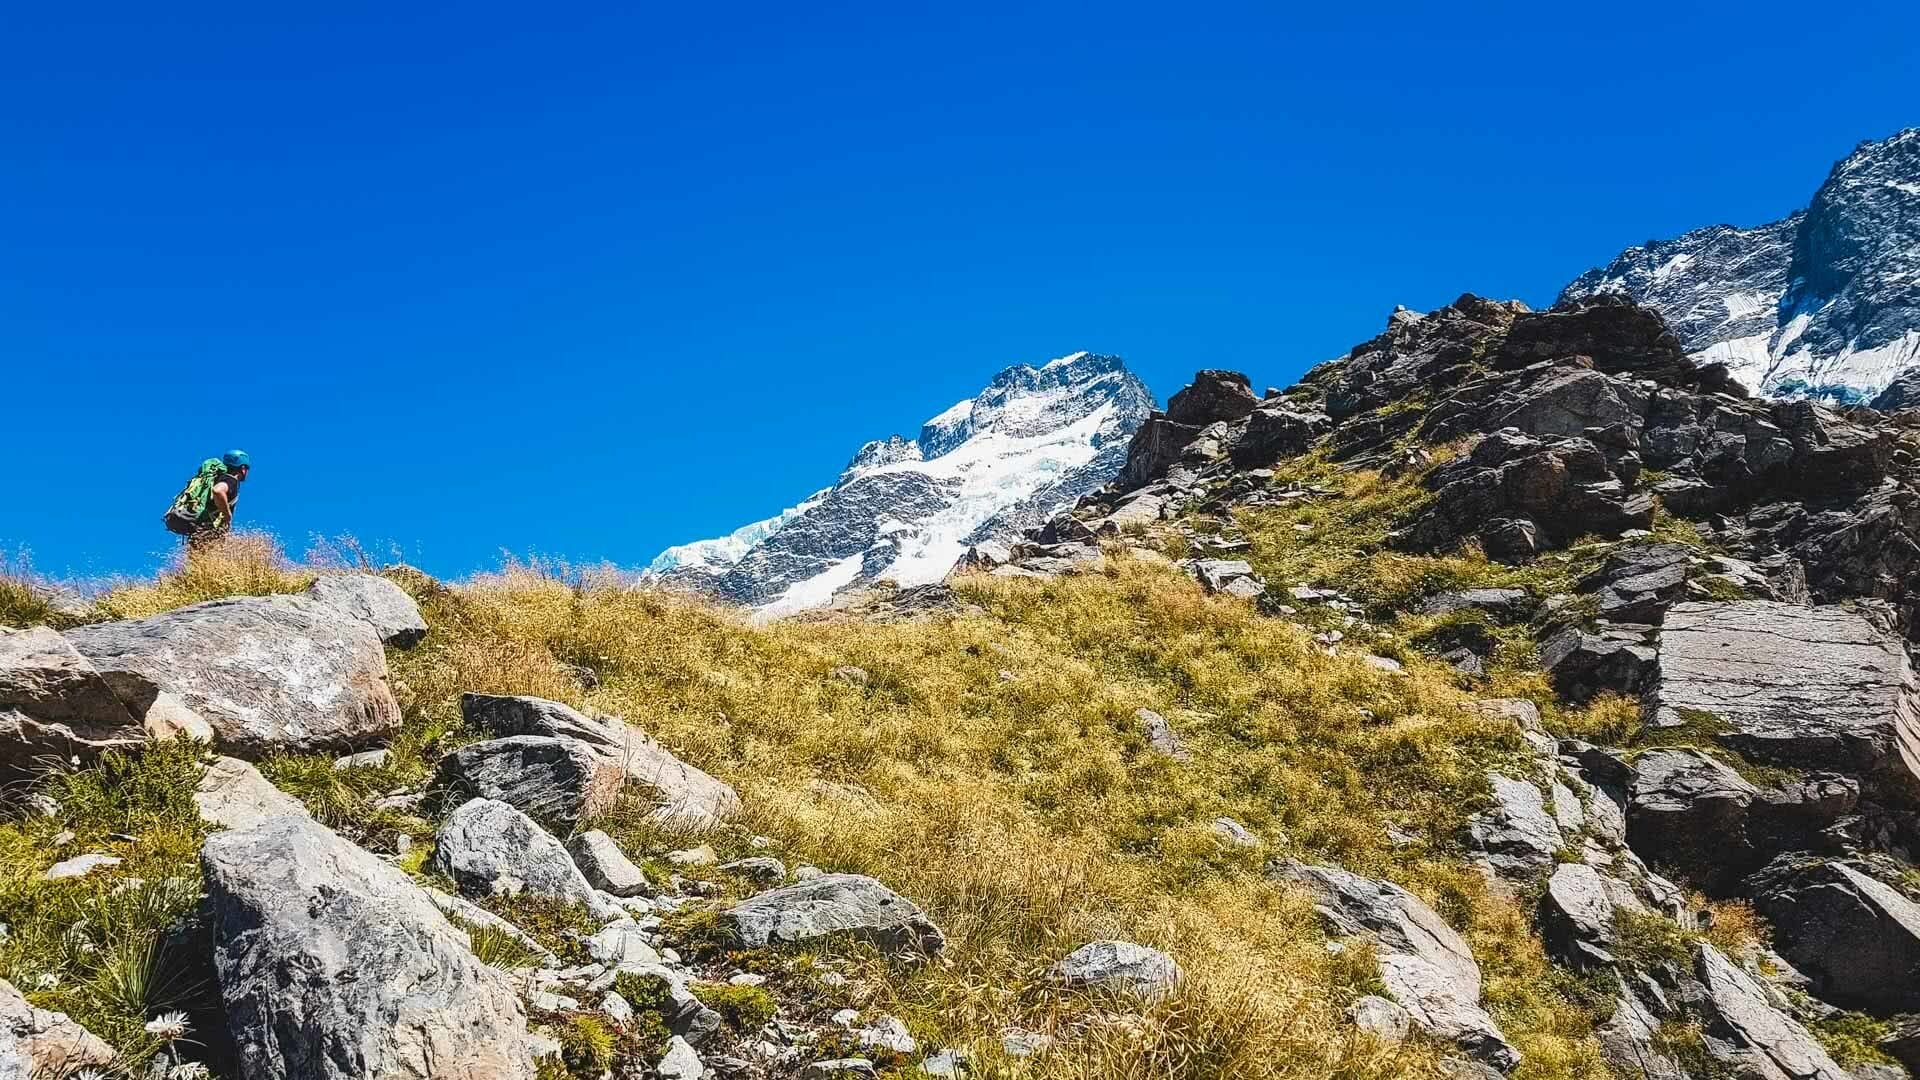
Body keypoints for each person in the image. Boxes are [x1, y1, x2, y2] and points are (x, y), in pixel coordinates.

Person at [163, 450, 251, 543]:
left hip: (189, 520)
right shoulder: (231, 480)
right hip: (203, 524)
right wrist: (227, 515)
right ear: (243, 468)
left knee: (197, 553)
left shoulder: (215, 478)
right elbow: (218, 491)